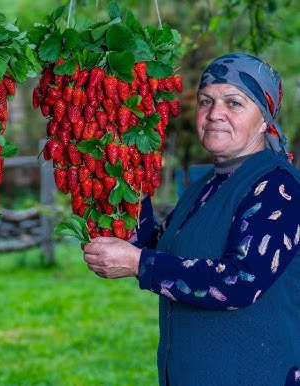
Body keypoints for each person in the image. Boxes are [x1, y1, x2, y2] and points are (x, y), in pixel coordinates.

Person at [81, 52, 300, 385]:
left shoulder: (278, 185)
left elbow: (241, 282)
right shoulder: (205, 186)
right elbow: (165, 249)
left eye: (235, 103)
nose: (215, 115)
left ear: (265, 116)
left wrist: (140, 264)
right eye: (206, 101)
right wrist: (130, 186)